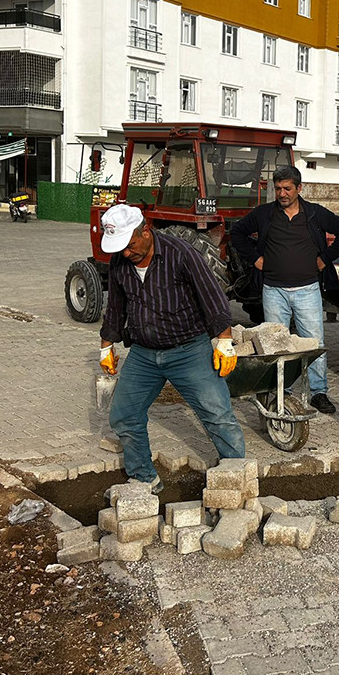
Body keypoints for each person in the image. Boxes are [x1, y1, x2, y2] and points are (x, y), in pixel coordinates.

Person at [98, 204, 243, 493]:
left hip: (188, 349)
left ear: (146, 231)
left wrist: (224, 340)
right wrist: (106, 344)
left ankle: (237, 479)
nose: (127, 253)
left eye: (131, 244)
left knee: (217, 415)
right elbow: (115, 306)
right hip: (143, 353)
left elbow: (211, 296)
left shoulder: (181, 253)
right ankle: (144, 478)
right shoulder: (120, 263)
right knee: (123, 415)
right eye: (121, 248)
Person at [230, 165, 339, 414]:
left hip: (307, 290)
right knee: (277, 343)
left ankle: (318, 393)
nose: (282, 193)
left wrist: (324, 258)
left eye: (287, 188)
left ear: (299, 188)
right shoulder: (264, 214)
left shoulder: (315, 214)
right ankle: (280, 391)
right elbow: (237, 233)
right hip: (273, 291)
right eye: (278, 189)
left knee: (314, 342)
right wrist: (255, 258)